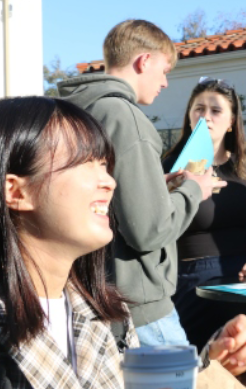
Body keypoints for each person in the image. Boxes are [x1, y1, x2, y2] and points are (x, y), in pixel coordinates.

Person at [0, 97, 246, 389]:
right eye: (83, 162)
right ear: (16, 191)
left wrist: (209, 371)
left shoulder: (104, 312)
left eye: (105, 164)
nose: (109, 182)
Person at [58, 20, 222, 347]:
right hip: (140, 309)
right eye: (164, 70)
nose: (165, 82)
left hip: (89, 297)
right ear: (144, 61)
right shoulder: (126, 118)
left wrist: (152, 187)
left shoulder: (74, 112)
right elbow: (149, 231)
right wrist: (194, 190)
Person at [162, 77, 246, 389]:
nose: (206, 116)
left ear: (231, 122)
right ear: (189, 116)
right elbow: (157, 225)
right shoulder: (169, 167)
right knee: (199, 384)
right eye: (199, 108)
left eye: (216, 110)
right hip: (190, 286)